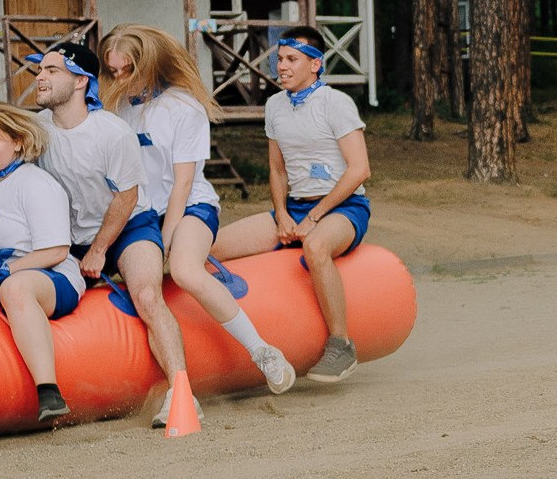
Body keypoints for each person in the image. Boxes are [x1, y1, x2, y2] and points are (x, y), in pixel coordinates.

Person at [101, 24, 299, 420]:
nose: (120, 79)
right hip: (140, 214)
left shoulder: (183, 107)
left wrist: (166, 239)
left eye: (128, 69)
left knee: (186, 271)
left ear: (150, 63)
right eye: (113, 71)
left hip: (191, 206)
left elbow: (183, 183)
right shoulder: (116, 109)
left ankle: (262, 350)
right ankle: (177, 389)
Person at [23, 43, 194, 408]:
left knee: (147, 295)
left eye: (52, 70)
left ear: (80, 81)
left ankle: (181, 394)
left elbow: (126, 197)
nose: (40, 77)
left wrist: (99, 250)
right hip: (72, 240)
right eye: (40, 70)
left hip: (130, 227)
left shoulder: (112, 132)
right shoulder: (34, 130)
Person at [211, 27, 372, 382]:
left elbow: (360, 170)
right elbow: (277, 169)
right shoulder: (275, 105)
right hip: (295, 208)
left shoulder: (336, 103)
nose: (281, 66)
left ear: (315, 64)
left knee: (315, 247)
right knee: (213, 247)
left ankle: (342, 345)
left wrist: (314, 216)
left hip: (344, 208)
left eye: (291, 59)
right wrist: (282, 214)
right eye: (279, 59)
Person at [0, 102, 80, 428]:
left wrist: (1, 274)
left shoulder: (37, 184)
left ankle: (49, 391)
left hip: (49, 277)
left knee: (15, 288)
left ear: (18, 142)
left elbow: (56, 251)